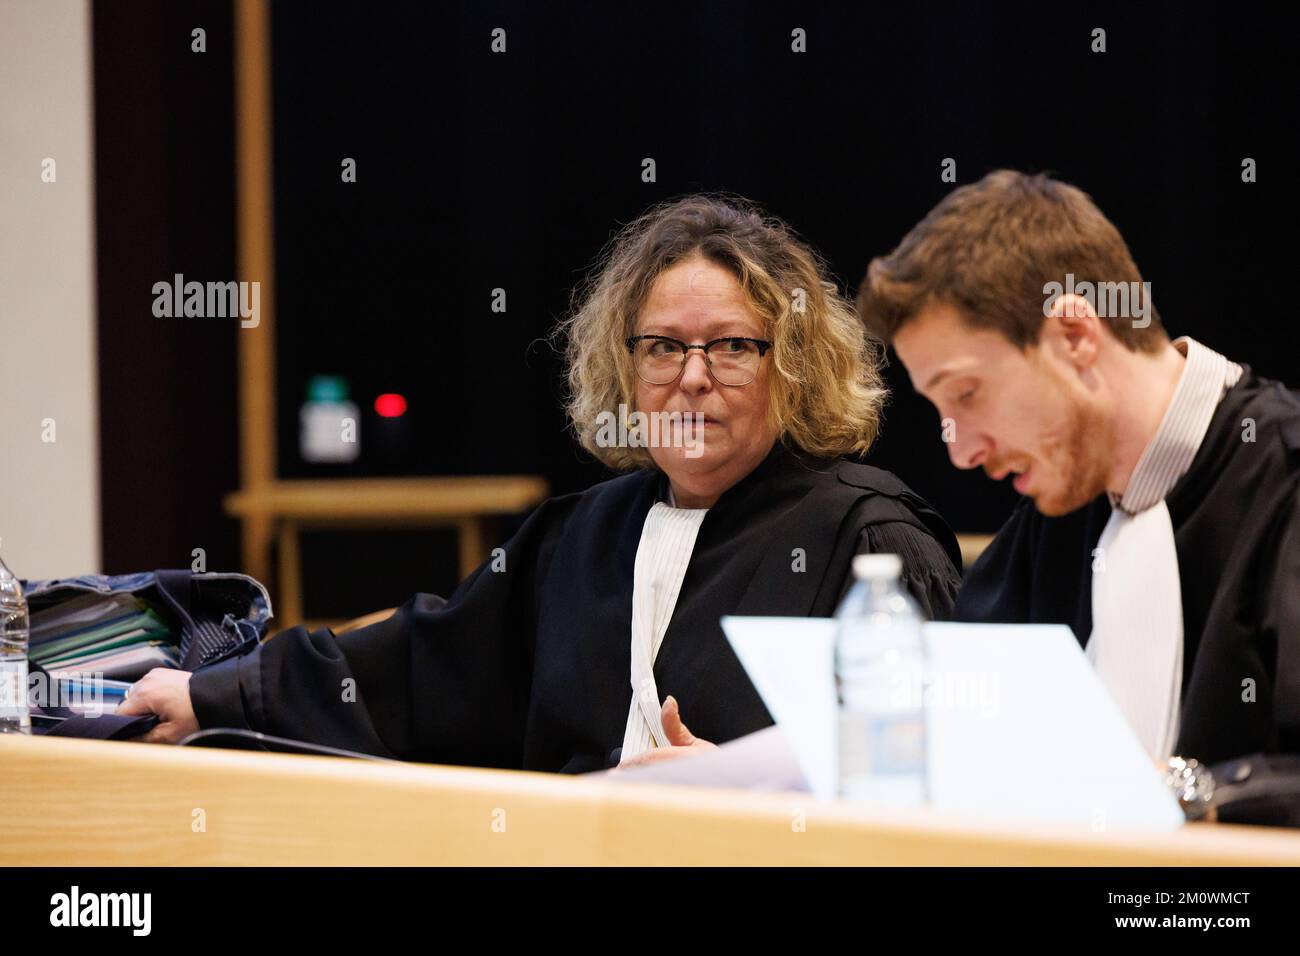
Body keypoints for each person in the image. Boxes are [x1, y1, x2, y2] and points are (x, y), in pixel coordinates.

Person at [122, 194, 962, 772]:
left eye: (733, 347)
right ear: (625, 369)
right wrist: (216, 694)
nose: (693, 377)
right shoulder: (581, 538)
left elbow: (939, 773)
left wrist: (765, 790)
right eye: (663, 346)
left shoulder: (870, 541)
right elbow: (415, 666)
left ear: (796, 366)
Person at [857, 170, 1300, 766]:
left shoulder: (1286, 483)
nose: (960, 453)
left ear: (1073, 335)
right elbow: (953, 740)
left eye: (966, 393)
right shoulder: (1059, 502)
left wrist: (1192, 799)